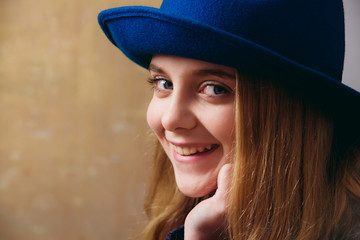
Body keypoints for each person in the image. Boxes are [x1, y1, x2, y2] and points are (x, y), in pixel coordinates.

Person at [98, 0, 360, 239]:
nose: (171, 119)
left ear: (291, 113)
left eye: (214, 88)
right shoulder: (186, 220)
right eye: (164, 83)